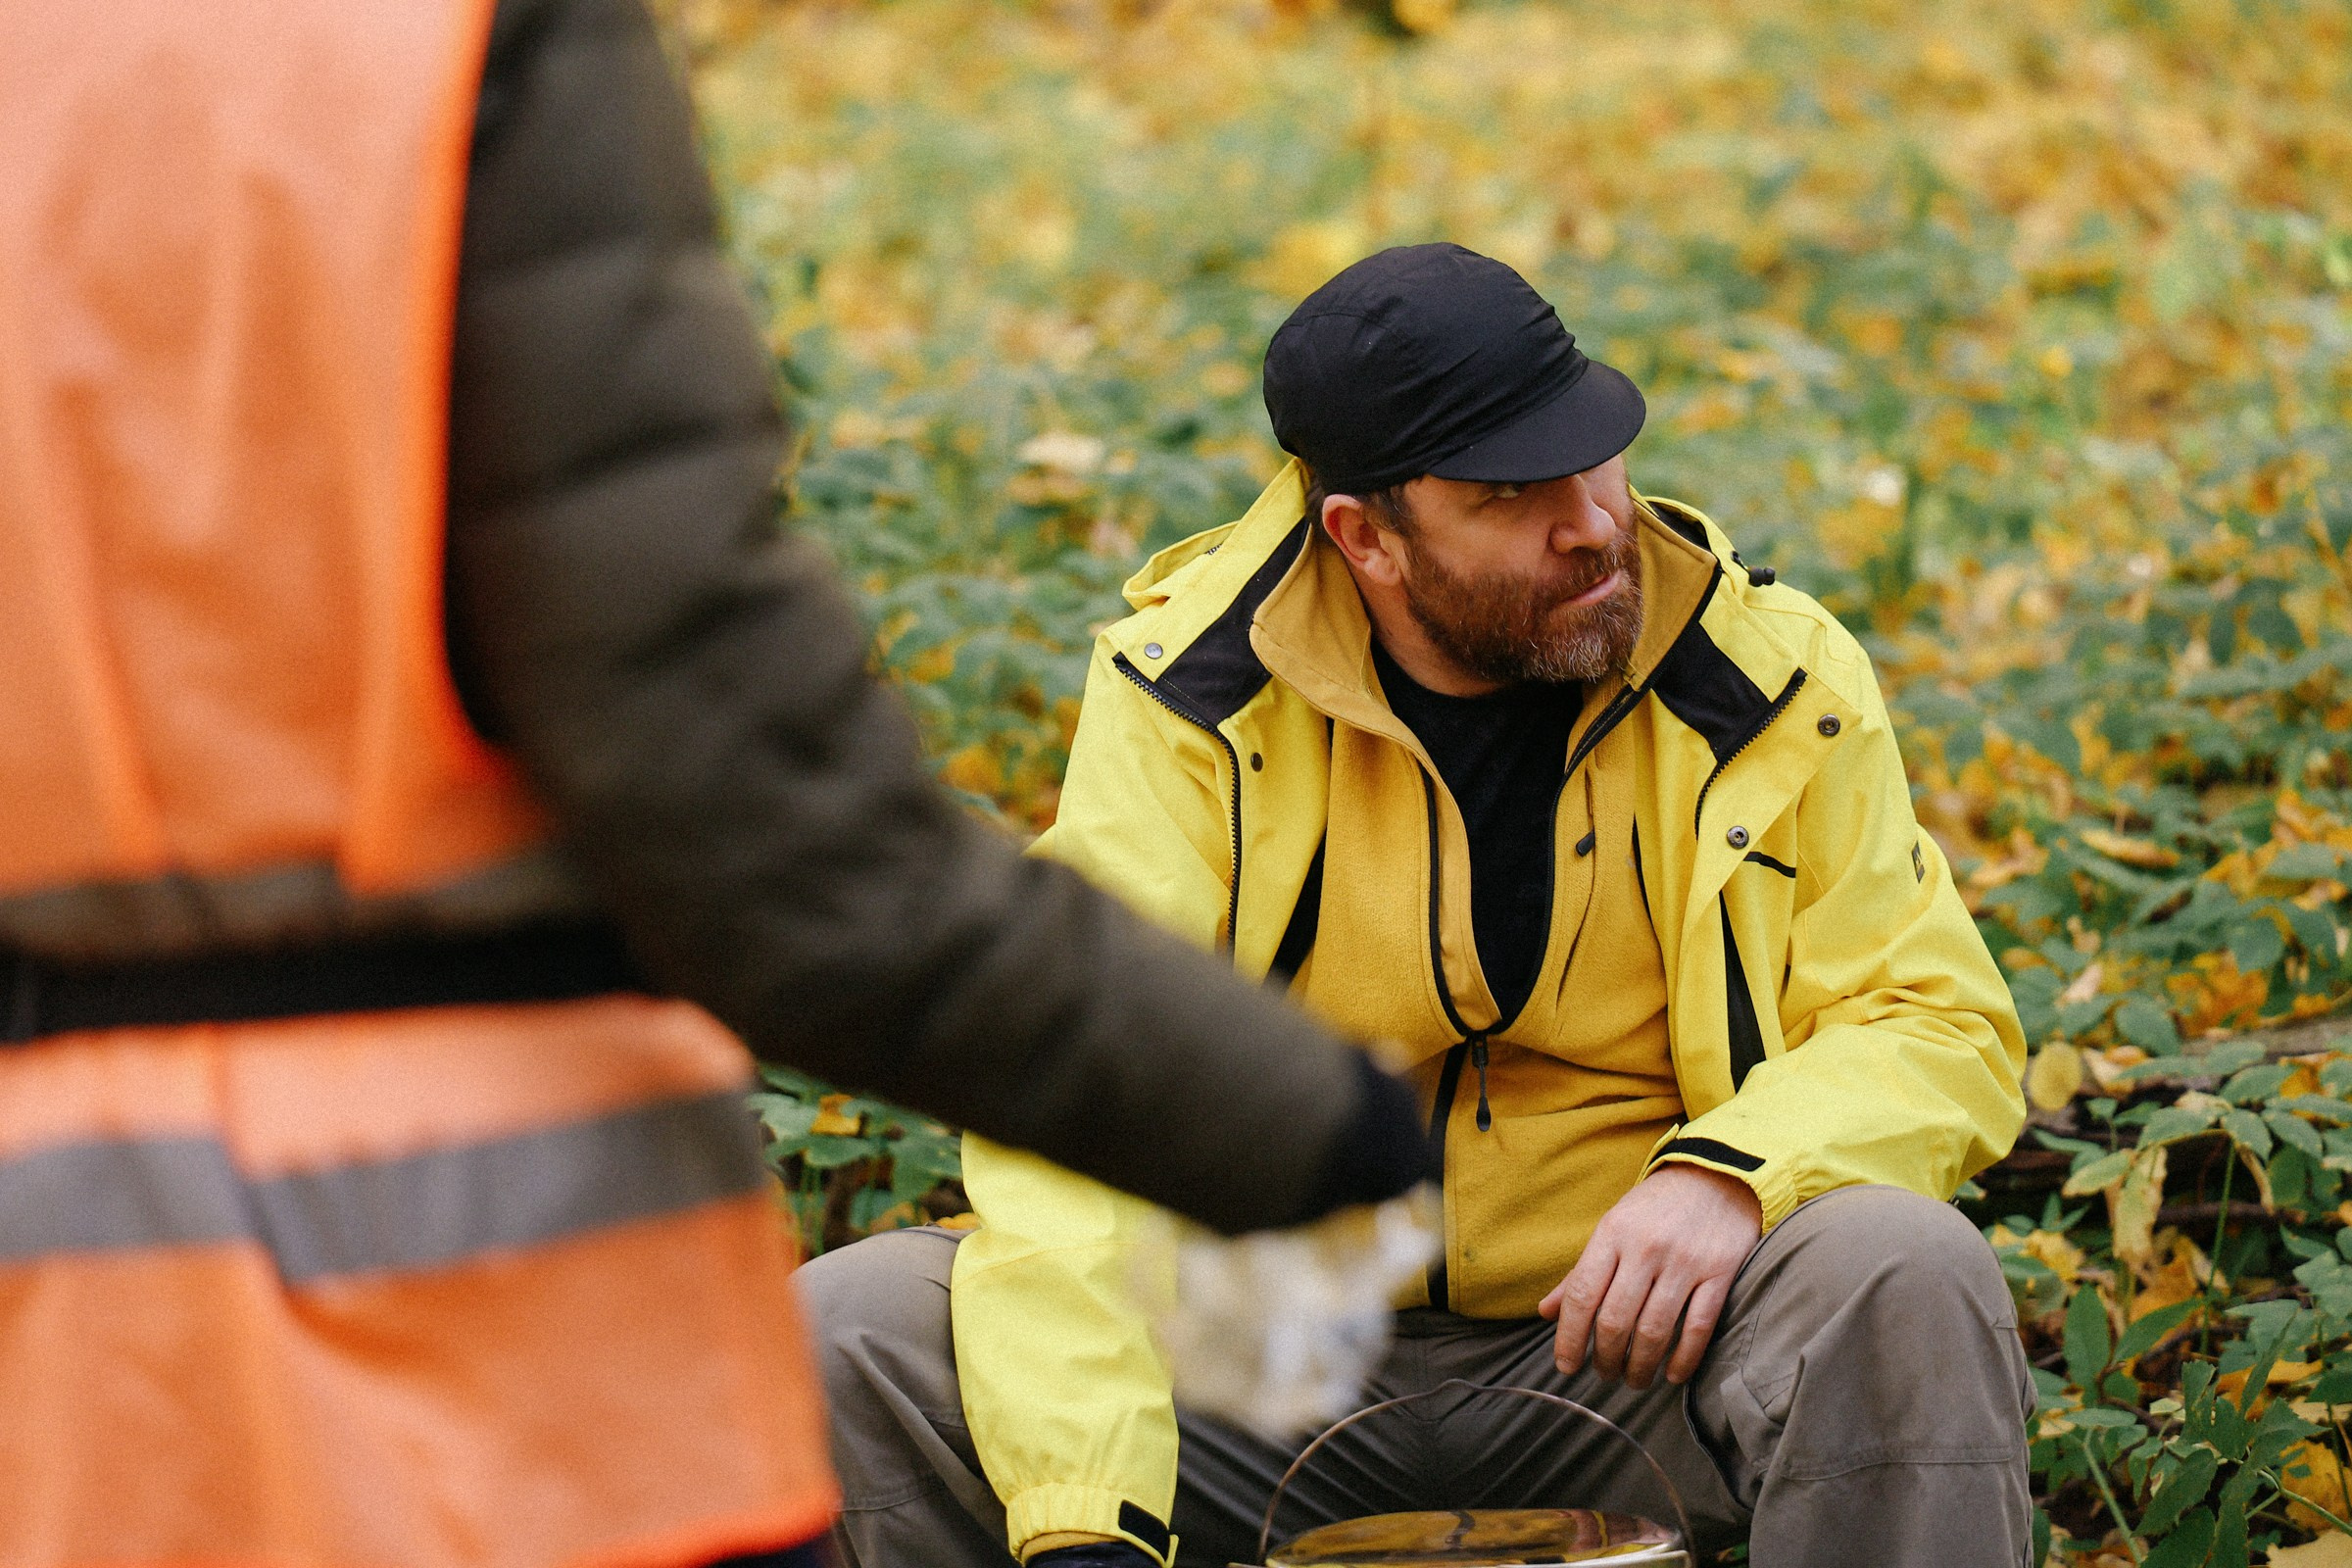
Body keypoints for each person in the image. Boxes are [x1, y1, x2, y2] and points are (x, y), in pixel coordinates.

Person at [0, 5, 1430, 1568]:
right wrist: (1302, 1124)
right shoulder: (450, 46)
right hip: (503, 1377)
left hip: (67, 1377)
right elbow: (765, 825)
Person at [802, 243, 2036, 1568]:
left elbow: (1936, 1021)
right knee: (851, 1334)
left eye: (1596, 455)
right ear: (1365, 539)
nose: (1593, 520)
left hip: (1633, 1347)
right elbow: (1086, 1093)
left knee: (1904, 1269)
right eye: (1513, 494)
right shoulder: (1194, 707)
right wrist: (1086, 1524)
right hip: (1262, 1350)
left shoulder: (1768, 681)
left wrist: (1732, 1180)